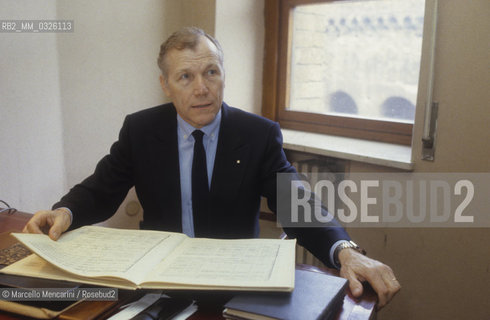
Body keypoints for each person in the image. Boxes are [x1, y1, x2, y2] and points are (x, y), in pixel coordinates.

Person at [23, 27, 400, 309]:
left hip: (234, 291)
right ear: (165, 85)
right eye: (185, 77)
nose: (201, 88)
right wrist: (65, 212)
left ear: (223, 75)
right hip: (159, 287)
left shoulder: (257, 134)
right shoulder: (141, 130)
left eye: (211, 73)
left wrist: (344, 250)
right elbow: (101, 188)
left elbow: (295, 200)